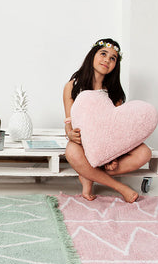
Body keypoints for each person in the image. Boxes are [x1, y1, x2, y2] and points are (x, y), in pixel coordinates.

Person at [63, 38, 152, 203]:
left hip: (107, 143)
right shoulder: (73, 86)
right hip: (83, 142)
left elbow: (117, 129)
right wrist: (70, 134)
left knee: (145, 153)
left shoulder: (114, 92)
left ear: (116, 65)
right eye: (103, 54)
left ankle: (88, 174)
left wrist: (112, 156)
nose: (107, 60)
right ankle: (120, 187)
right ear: (92, 55)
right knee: (71, 152)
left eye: (113, 58)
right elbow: (69, 121)